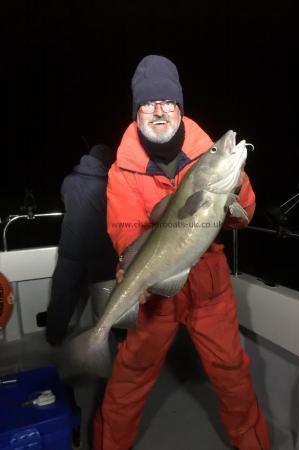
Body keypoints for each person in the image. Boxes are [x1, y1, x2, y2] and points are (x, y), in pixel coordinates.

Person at [93, 55, 271, 450]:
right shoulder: (122, 170)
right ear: (137, 111)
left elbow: (242, 217)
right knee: (128, 381)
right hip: (154, 289)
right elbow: (124, 228)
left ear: (180, 108)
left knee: (232, 376)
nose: (160, 110)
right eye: (149, 103)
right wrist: (130, 266)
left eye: (168, 102)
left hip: (209, 285)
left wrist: (236, 186)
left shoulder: (211, 156)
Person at [46, 144, 119, 346]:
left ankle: (53, 338)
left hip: (70, 250)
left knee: (61, 298)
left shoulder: (69, 181)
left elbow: (65, 199)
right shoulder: (109, 185)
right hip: (100, 253)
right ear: (107, 163)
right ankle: (115, 338)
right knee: (106, 299)